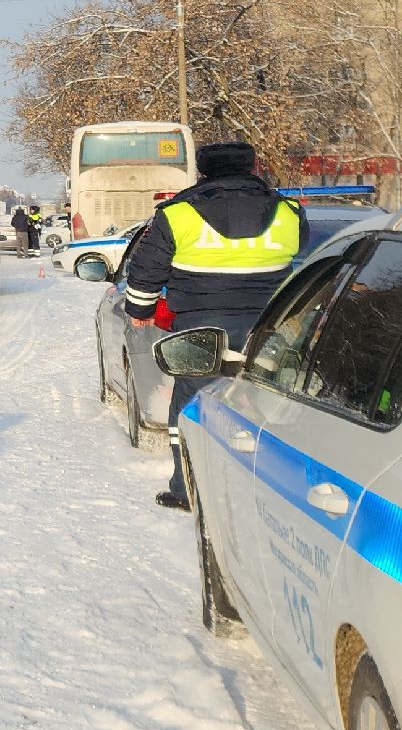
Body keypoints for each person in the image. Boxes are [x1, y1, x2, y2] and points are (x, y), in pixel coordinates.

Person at [125, 141, 304, 511]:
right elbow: (309, 259)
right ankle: (273, 494)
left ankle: (187, 488)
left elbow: (146, 271)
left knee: (191, 403)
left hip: (199, 327)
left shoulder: (177, 214)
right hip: (269, 328)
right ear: (252, 167)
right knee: (271, 405)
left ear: (203, 172)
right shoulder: (288, 211)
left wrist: (139, 309)